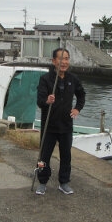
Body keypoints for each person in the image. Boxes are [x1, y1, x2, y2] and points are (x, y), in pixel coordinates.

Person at [35, 47, 85, 195]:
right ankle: (42, 182)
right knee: (43, 157)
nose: (64, 62)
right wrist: (47, 100)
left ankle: (64, 182)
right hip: (49, 126)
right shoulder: (45, 79)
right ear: (54, 61)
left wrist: (77, 109)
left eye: (67, 58)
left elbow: (81, 95)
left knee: (66, 156)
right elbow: (39, 101)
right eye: (61, 59)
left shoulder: (72, 79)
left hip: (66, 126)